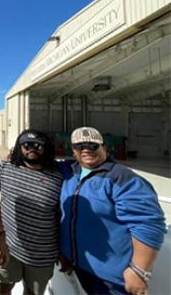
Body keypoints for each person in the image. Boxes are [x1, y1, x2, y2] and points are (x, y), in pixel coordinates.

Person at [60, 126, 167, 295]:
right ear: (73, 151)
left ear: (104, 147)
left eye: (92, 145)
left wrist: (139, 271)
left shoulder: (122, 178)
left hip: (112, 278)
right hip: (82, 267)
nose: (86, 149)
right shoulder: (70, 172)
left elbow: (148, 225)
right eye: (80, 146)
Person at [0, 130, 66, 295]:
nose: (32, 148)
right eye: (27, 145)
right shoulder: (4, 167)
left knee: (32, 292)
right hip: (7, 246)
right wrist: (0, 235)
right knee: (3, 286)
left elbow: (61, 214)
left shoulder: (58, 176)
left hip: (42, 253)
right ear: (19, 147)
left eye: (38, 145)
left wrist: (64, 249)